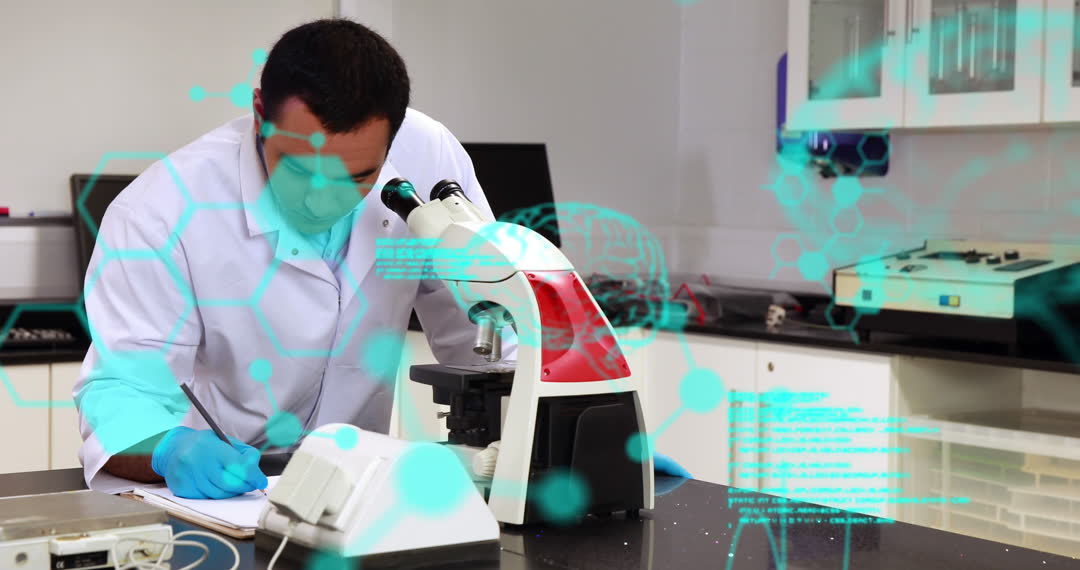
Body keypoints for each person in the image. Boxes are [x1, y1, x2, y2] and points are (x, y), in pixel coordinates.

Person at [74, 19, 497, 498]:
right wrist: (167, 449)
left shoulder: (426, 154)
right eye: (300, 169)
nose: (322, 201)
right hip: (226, 489)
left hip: (361, 488)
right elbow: (125, 392)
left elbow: (485, 323)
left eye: (357, 177)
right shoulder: (159, 213)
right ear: (259, 114)